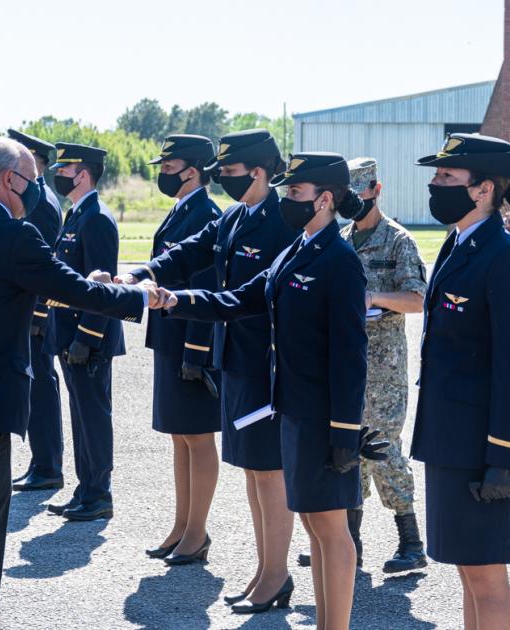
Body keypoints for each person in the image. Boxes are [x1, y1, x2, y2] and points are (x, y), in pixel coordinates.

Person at [0, 138, 156, 630]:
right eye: (33, 180)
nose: (39, 190)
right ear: (8, 180)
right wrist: (140, 297)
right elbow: (75, 290)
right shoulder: (12, 235)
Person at [140, 152, 388, 629]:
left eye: (295, 193)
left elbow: (350, 358)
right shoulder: (298, 249)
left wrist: (343, 434)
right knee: (314, 526)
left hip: (322, 419)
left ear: (325, 199)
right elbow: (240, 298)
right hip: (294, 414)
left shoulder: (339, 261)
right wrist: (174, 299)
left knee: (330, 529)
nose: (286, 200)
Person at [124, 129, 299, 602]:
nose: (221, 179)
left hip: (268, 363)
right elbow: (190, 252)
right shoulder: (238, 216)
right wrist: (138, 275)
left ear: (258, 171)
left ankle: (275, 574)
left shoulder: (282, 220)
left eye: (229, 172)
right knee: (251, 470)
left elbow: (247, 297)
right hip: (236, 360)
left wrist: (178, 301)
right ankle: (267, 571)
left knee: (269, 471)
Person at [411, 133, 510, 630]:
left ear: (483, 189)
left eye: (447, 177)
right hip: (450, 440)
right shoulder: (458, 244)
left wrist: (508, 458)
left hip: (482, 450)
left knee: (486, 577)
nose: (435, 183)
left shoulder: (507, 260)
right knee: (467, 570)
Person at [297, 157, 428, 574]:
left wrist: (373, 298)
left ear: (377, 189)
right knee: (348, 447)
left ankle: (411, 542)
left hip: (385, 367)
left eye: (363, 194)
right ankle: (349, 543)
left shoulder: (398, 241)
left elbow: (418, 299)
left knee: (385, 447)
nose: (357, 204)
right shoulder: (343, 239)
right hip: (346, 360)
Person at [143, 134, 223, 564]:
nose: (162, 173)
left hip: (190, 341)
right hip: (170, 337)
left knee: (196, 437)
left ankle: (196, 533)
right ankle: (181, 525)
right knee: (180, 437)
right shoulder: (183, 209)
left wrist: (196, 351)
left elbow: (205, 286)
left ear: (191, 170)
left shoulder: (206, 215)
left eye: (168, 166)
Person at [43, 142, 124, 521]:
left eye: (65, 169)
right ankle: (85, 487)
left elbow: (103, 287)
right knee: (80, 414)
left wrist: (87, 337)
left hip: (87, 338)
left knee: (93, 416)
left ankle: (98, 493)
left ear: (84, 174)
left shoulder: (96, 219)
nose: (58, 174)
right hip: (69, 333)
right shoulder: (76, 214)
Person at [7, 128, 65, 492]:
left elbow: (43, 263)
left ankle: (47, 466)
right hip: (31, 314)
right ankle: (41, 463)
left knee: (41, 388)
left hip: (36, 316)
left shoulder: (41, 203)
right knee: (37, 388)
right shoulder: (39, 198)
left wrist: (38, 316)